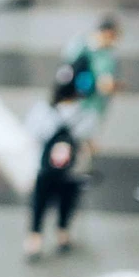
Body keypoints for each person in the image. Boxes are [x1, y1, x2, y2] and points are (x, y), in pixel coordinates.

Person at [23, 78, 100, 261]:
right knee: (67, 201)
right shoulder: (86, 113)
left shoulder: (42, 111)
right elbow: (89, 143)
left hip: (45, 169)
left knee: (39, 203)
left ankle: (34, 240)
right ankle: (62, 234)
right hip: (72, 171)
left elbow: (32, 137)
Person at [60, 15, 122, 123]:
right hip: (72, 102)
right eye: (110, 36)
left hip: (93, 106)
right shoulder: (81, 44)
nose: (111, 40)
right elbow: (67, 67)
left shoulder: (109, 57)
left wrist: (110, 86)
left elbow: (105, 82)